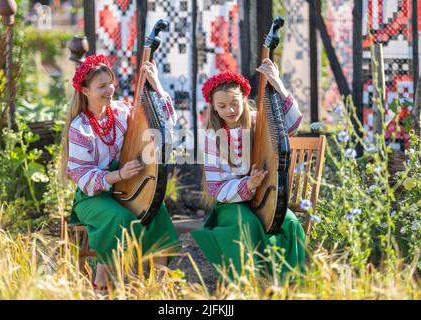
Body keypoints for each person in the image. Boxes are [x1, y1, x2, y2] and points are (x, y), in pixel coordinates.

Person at [61, 54, 180, 293]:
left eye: (110, 83)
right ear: (85, 90)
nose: (109, 90)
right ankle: (103, 277)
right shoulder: (80, 128)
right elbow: (83, 177)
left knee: (156, 210)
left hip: (125, 188)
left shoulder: (123, 112)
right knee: (122, 219)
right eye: (101, 86)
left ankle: (158, 288)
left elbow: (165, 122)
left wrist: (155, 84)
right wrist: (119, 175)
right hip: (93, 196)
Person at [192, 59, 305, 284]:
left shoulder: (258, 121)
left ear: (244, 99)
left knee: (290, 222)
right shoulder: (213, 137)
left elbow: (292, 126)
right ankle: (250, 284)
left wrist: (277, 83)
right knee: (248, 225)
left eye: (235, 103)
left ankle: (291, 283)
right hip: (231, 203)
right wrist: (247, 185)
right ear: (213, 106)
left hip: (265, 197)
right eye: (222, 106)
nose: (230, 110)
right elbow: (216, 187)